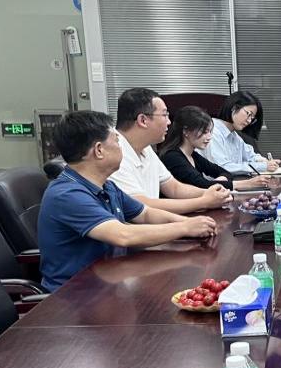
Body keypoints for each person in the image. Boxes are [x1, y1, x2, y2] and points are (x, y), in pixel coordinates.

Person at [37, 110, 217, 291]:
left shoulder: (106, 186)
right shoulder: (67, 195)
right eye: (117, 141)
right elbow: (123, 235)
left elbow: (145, 214)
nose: (121, 147)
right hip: (73, 295)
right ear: (99, 150)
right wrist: (184, 228)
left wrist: (190, 223)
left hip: (109, 279)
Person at [109, 88, 232, 214]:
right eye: (164, 115)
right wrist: (204, 201)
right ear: (143, 120)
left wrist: (210, 194)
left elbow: (174, 187)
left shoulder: (145, 148)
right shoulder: (112, 151)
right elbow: (140, 204)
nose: (169, 122)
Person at [159, 105, 274, 192]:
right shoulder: (172, 157)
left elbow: (224, 172)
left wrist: (219, 181)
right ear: (186, 131)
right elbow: (202, 185)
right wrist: (248, 184)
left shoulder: (192, 154)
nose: (209, 137)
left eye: (210, 132)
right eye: (204, 132)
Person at [201, 91, 281, 175]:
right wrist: (263, 166)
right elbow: (222, 167)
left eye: (252, 118)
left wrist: (264, 161)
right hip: (214, 182)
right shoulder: (213, 132)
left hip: (233, 181)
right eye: (248, 114)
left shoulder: (234, 135)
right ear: (234, 107)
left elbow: (250, 155)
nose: (249, 121)